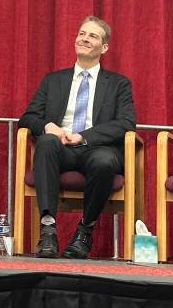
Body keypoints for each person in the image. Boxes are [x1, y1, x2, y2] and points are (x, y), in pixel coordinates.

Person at [18, 15, 135, 259]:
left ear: (104, 47)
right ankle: (48, 229)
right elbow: (27, 118)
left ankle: (85, 230)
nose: (84, 38)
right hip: (59, 148)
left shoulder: (118, 84)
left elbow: (126, 123)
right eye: (82, 33)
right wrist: (48, 125)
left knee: (105, 161)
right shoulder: (53, 80)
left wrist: (83, 136)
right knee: (47, 141)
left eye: (92, 35)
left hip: (95, 147)